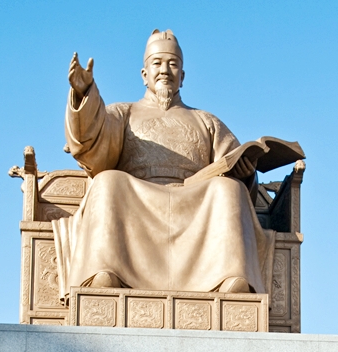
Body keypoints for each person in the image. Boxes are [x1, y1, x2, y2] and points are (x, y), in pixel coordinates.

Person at [52, 29, 276, 304]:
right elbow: (92, 145)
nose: (165, 71)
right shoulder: (123, 112)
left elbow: (231, 160)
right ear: (144, 73)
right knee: (108, 181)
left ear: (183, 75)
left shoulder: (207, 121)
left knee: (229, 189)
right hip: (137, 199)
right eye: (157, 63)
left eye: (173, 64)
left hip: (194, 202)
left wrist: (246, 174)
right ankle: (106, 272)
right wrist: (84, 93)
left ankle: (229, 278)